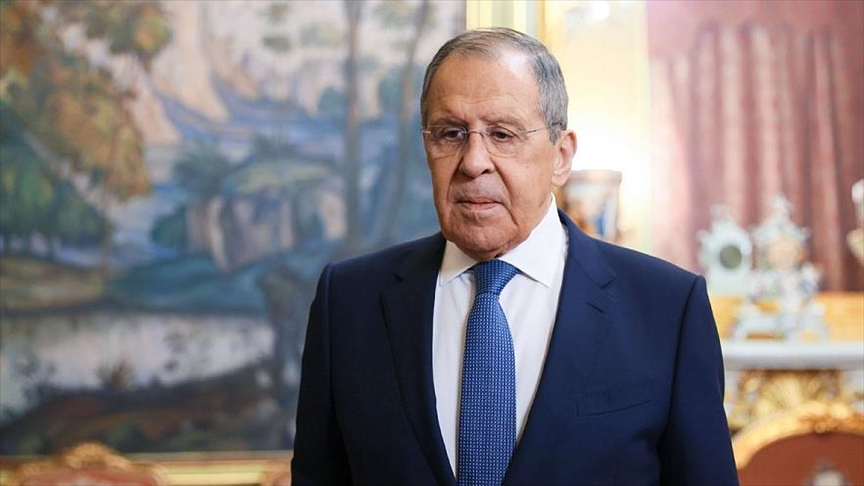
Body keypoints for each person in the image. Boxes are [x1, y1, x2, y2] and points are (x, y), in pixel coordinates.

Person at [291, 27, 739, 486]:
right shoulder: (348, 301)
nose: (473, 162)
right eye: (451, 133)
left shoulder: (666, 308)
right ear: (427, 146)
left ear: (561, 156)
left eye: (502, 134)